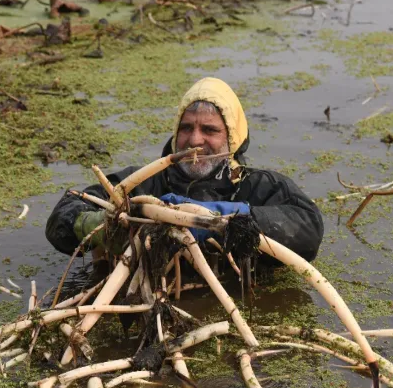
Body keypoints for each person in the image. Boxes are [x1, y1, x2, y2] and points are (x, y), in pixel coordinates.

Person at [46, 77, 324, 262]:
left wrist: (219, 219)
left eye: (210, 130)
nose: (194, 140)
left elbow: (309, 230)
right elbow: (62, 216)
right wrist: (105, 227)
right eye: (187, 127)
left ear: (232, 138)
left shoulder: (259, 186)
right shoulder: (145, 183)